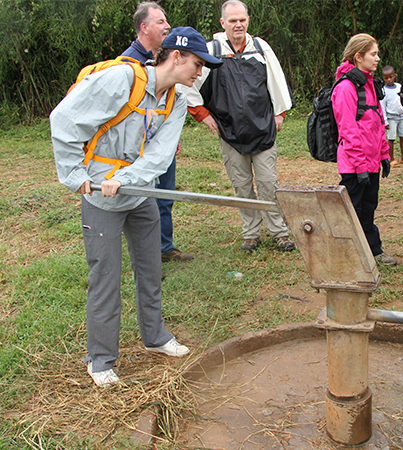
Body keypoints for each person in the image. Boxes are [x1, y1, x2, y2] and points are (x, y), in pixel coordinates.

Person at [50, 27, 222, 386]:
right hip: (100, 195)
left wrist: (129, 180)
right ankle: (100, 360)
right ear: (176, 56)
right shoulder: (121, 79)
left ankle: (155, 336)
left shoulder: (176, 100)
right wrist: (74, 173)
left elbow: (160, 155)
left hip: (139, 191)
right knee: (106, 277)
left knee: (150, 267)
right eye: (197, 63)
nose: (200, 71)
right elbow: (63, 119)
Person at [179, 0, 295, 253]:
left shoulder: (260, 48)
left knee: (268, 183)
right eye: (232, 20)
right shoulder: (212, 51)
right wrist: (202, 114)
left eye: (242, 19)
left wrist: (280, 113)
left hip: (263, 127)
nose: (238, 24)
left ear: (248, 20)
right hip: (229, 131)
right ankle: (251, 233)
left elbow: (277, 80)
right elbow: (185, 84)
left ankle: (279, 232)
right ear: (223, 23)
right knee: (242, 186)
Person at [122, 2, 194, 263]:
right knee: (143, 198)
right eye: (161, 22)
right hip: (136, 149)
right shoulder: (128, 64)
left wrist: (171, 137)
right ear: (144, 27)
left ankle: (164, 247)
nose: (167, 26)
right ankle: (146, 256)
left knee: (164, 194)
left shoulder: (164, 58)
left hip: (161, 143)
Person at [332, 33, 396, 266]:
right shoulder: (346, 88)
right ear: (358, 57)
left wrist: (384, 155)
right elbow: (348, 130)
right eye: (373, 54)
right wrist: (359, 166)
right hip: (354, 164)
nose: (378, 59)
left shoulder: (369, 84)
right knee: (353, 210)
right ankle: (350, 254)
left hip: (370, 162)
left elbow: (377, 122)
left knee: (369, 207)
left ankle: (372, 250)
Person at [380, 65, 403, 167]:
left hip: (401, 116)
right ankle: (391, 159)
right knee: (391, 138)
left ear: (395, 76)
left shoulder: (399, 86)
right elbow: (382, 106)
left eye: (391, 77)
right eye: (386, 78)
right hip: (391, 117)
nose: (389, 79)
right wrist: (385, 121)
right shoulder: (383, 91)